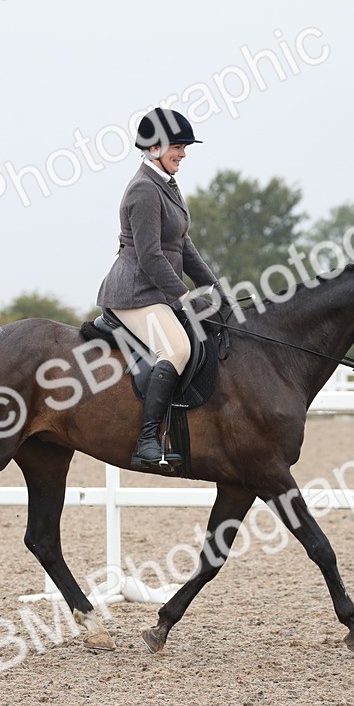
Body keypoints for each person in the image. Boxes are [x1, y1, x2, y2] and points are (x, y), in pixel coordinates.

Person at [96, 108, 223, 471]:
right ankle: (147, 440)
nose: (183, 153)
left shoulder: (165, 184)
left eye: (184, 147)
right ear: (153, 148)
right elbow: (151, 256)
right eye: (177, 146)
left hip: (155, 291)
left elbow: (183, 246)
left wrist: (214, 288)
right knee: (177, 347)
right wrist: (184, 295)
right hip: (133, 292)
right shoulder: (142, 189)